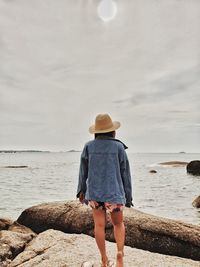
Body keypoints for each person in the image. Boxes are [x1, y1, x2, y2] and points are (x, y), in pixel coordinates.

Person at [77, 113, 133, 267]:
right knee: (118, 224)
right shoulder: (119, 147)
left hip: (95, 194)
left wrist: (81, 190)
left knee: (99, 226)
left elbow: (83, 171)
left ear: (96, 131)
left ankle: (103, 258)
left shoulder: (88, 146)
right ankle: (120, 255)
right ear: (112, 131)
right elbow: (125, 173)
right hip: (114, 194)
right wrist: (128, 197)